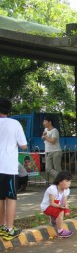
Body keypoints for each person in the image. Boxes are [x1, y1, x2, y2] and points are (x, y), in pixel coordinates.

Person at [0, 98, 28, 240]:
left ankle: (1, 226)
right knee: (11, 198)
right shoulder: (14, 123)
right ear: (9, 110)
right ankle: (10, 229)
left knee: (0, 198)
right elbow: (23, 145)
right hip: (9, 167)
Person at [40, 170, 73, 238]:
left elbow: (64, 201)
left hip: (57, 205)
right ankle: (60, 231)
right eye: (67, 181)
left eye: (70, 181)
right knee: (60, 212)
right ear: (60, 181)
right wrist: (61, 207)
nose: (69, 183)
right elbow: (52, 203)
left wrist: (65, 206)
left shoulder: (67, 190)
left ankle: (53, 219)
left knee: (67, 213)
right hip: (47, 207)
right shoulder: (52, 189)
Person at [42, 115, 62, 179]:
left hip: (56, 151)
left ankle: (60, 180)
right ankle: (61, 177)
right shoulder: (45, 129)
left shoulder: (55, 131)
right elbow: (43, 137)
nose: (44, 123)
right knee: (48, 168)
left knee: (57, 168)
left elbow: (53, 141)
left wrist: (46, 137)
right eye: (43, 121)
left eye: (45, 121)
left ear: (50, 122)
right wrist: (43, 137)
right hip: (48, 151)